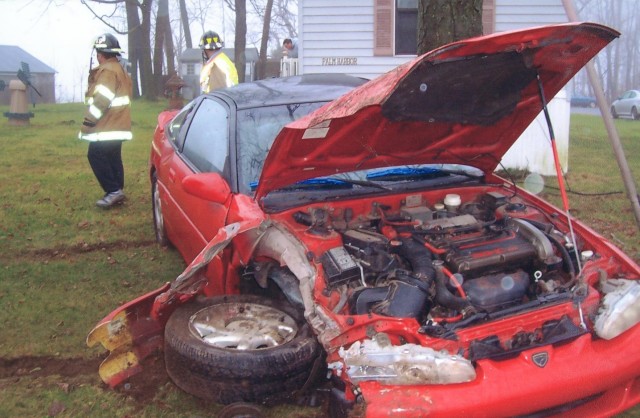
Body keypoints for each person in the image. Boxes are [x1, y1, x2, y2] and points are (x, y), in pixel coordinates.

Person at [78, 33, 132, 209]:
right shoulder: (119, 69)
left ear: (101, 54)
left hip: (108, 125)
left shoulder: (108, 71)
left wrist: (89, 121)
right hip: (119, 124)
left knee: (95, 154)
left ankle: (113, 190)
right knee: (113, 157)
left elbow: (102, 99)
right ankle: (117, 191)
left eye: (98, 54)